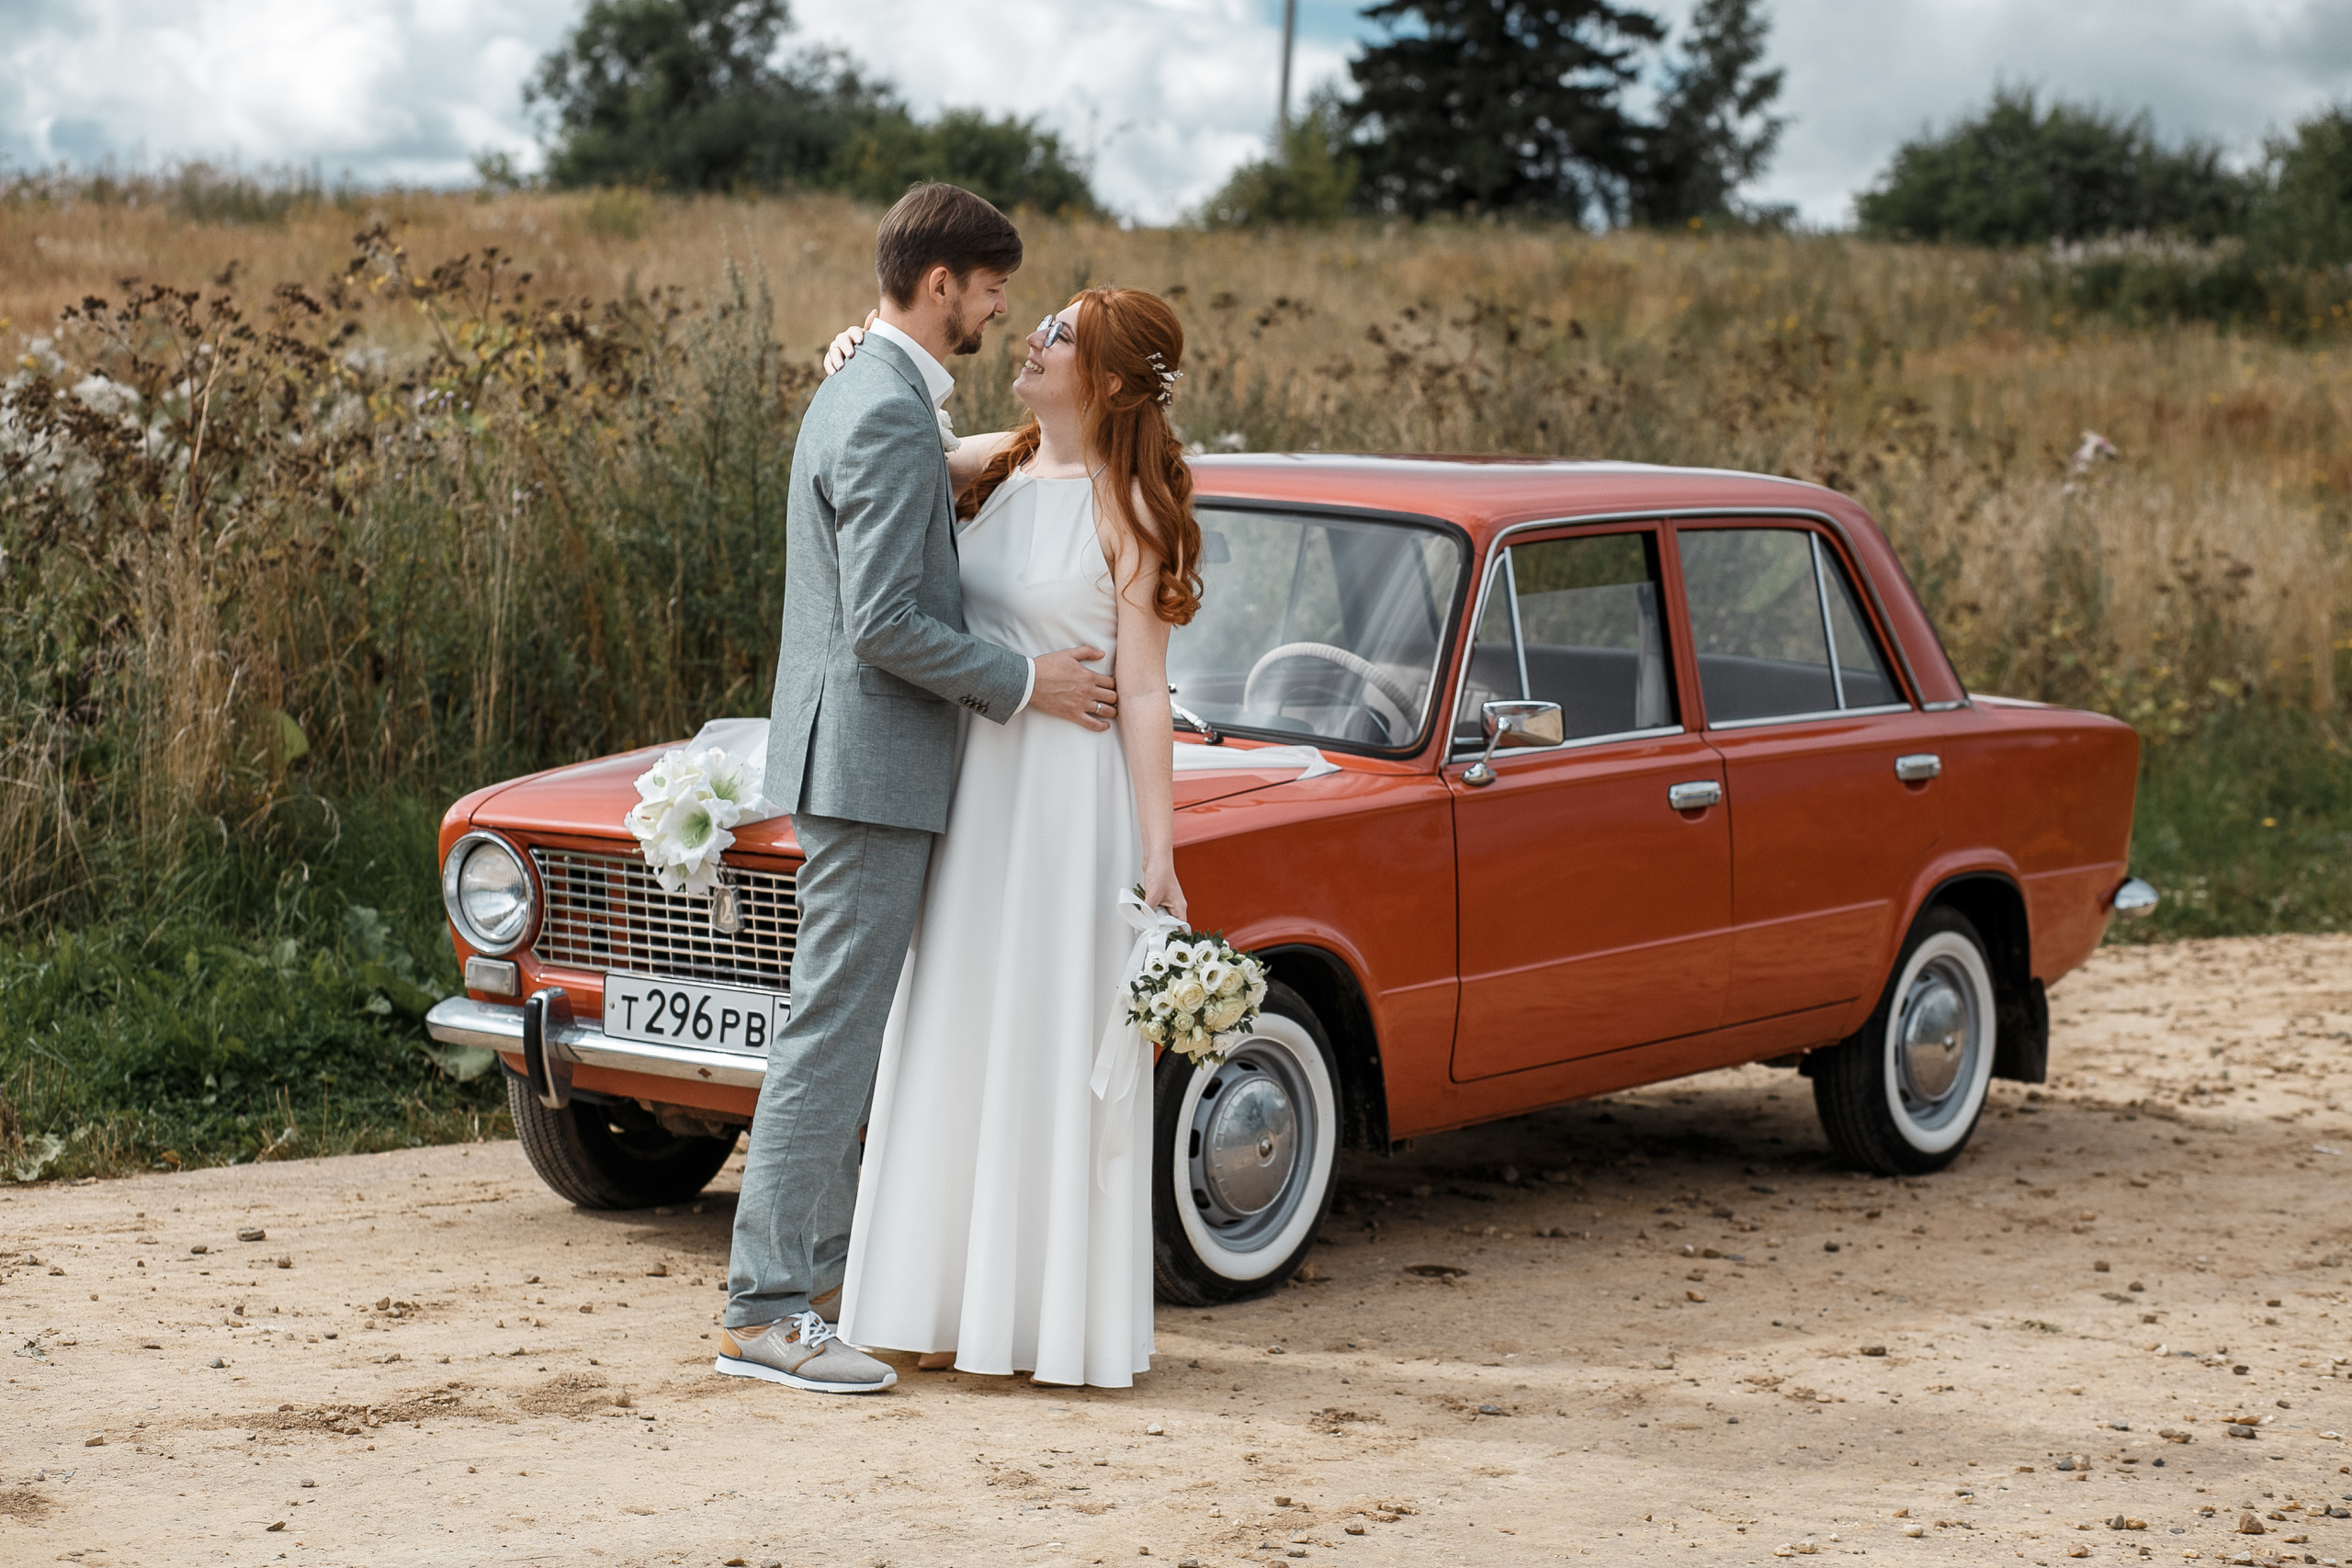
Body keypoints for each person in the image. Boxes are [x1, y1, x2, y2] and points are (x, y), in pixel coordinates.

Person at [717, 185, 1123, 1397]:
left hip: (865, 762)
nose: (1000, 310)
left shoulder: (872, 389)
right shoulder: (887, 409)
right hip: (873, 767)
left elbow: (973, 484)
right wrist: (1029, 681)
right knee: (831, 1035)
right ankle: (766, 1309)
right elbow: (886, 620)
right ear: (941, 281)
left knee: (845, 1030)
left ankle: (823, 1280)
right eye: (992, 288)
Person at [826, 285, 1200, 1388]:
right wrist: (856, 354)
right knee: (954, 1021)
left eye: (1060, 336)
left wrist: (1159, 851)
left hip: (1062, 807)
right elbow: (886, 438)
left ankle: (1034, 1319)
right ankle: (935, 1302)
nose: (1031, 338)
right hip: (972, 787)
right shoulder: (997, 463)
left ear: (1112, 380)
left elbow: (1143, 691)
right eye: (1038, 323)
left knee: (1038, 1034)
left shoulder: (1131, 508)